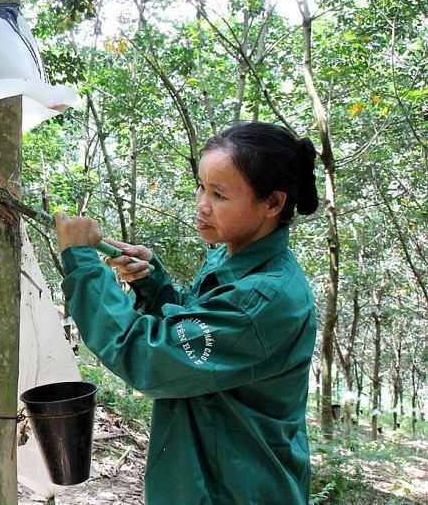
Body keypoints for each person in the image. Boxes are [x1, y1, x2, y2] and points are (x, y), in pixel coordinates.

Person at [54, 121, 319, 504]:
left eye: (219, 195)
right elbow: (198, 332)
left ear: (273, 203)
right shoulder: (230, 261)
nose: (201, 205)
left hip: (234, 489)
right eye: (200, 186)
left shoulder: (263, 298)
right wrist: (154, 284)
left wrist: (82, 262)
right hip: (204, 478)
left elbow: (148, 356)